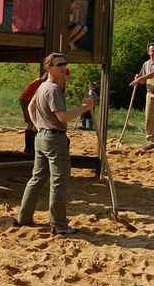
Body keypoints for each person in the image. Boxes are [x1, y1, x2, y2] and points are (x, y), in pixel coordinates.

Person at [16, 53, 95, 235]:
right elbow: (63, 117)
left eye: (65, 64)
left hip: (42, 137)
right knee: (58, 182)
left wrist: (39, 127)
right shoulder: (52, 89)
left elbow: (31, 107)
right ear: (49, 67)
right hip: (54, 139)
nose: (63, 67)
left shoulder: (43, 86)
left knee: (37, 179)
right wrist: (85, 108)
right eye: (59, 64)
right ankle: (59, 225)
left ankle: (24, 218)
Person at [18, 74, 48, 154]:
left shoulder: (44, 82)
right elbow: (23, 98)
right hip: (28, 102)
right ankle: (30, 149)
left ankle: (30, 149)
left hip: (29, 102)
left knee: (32, 125)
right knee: (33, 125)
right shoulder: (40, 82)